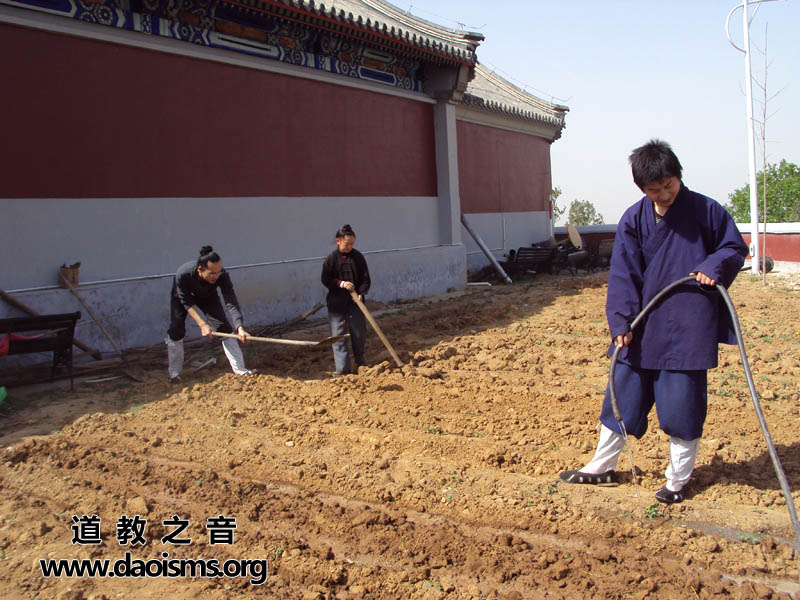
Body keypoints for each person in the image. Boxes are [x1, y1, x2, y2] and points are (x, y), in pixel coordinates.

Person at [559, 140, 748, 504]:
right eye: (654, 190)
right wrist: (620, 323)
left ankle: (678, 480)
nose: (663, 195)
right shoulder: (634, 218)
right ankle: (602, 466)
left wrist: (712, 267)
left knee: (681, 405)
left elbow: (733, 247)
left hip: (688, 326)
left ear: (679, 177)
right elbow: (623, 275)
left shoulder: (707, 211)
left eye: (668, 186)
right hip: (642, 325)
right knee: (621, 397)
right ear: (642, 189)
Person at [165, 246, 254, 383]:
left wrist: (239, 327)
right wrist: (202, 324)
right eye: (212, 273)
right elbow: (187, 303)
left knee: (224, 329)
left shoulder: (222, 276)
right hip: (183, 298)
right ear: (200, 269)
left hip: (207, 296)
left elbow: (231, 301)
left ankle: (240, 370)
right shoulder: (183, 274)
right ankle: (174, 373)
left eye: (219, 272)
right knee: (177, 330)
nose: (216, 276)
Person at [321, 224, 371, 376]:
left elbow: (365, 278)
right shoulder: (330, 259)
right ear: (338, 241)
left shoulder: (358, 257)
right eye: (346, 243)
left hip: (355, 304)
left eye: (352, 244)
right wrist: (341, 284)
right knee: (338, 337)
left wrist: (361, 294)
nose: (349, 246)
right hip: (336, 305)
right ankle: (343, 369)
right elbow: (325, 279)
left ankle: (360, 362)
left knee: (358, 333)